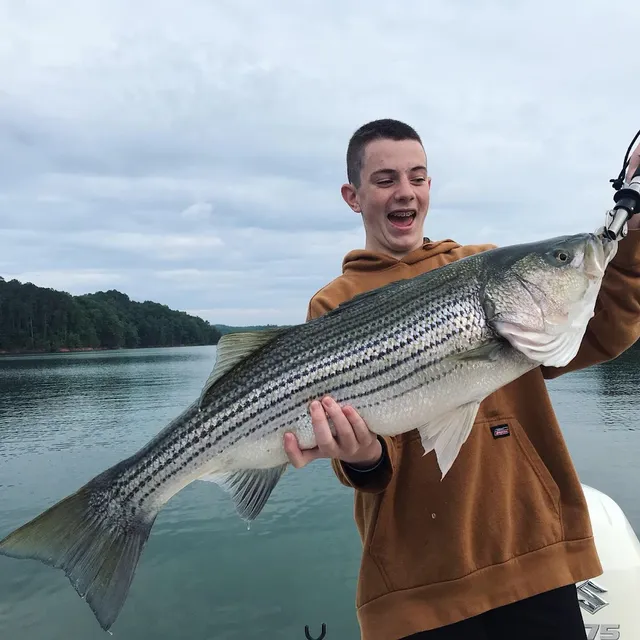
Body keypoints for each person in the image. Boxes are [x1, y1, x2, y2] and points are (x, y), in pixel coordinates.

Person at [283, 119, 640, 640]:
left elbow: (606, 326)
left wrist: (633, 231)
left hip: (536, 562)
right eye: (385, 180)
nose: (405, 191)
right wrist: (364, 458)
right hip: (418, 593)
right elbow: (353, 456)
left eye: (418, 177)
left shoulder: (485, 268)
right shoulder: (335, 304)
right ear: (352, 196)